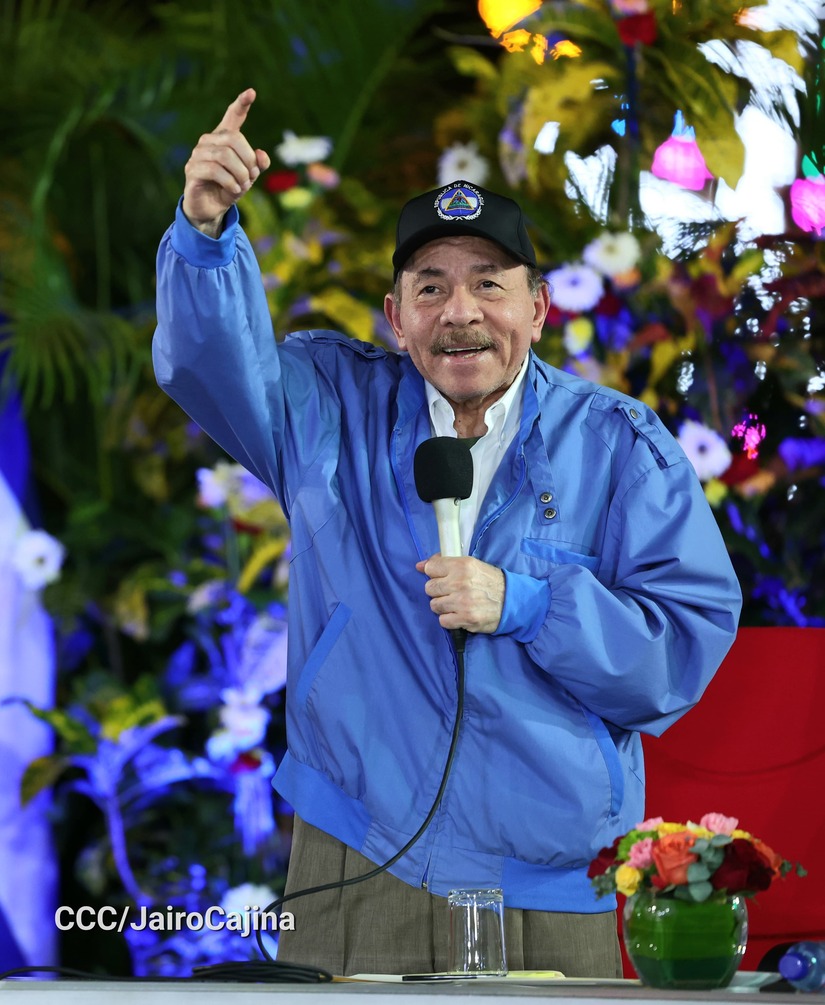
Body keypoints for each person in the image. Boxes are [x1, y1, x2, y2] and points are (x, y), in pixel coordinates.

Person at [154, 89, 742, 978]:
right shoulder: (328, 406)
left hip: (548, 869)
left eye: (488, 284)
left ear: (538, 308)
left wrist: (529, 604)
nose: (458, 311)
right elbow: (209, 364)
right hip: (359, 849)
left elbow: (676, 651)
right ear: (396, 318)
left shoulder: (620, 444)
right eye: (429, 287)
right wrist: (204, 234)